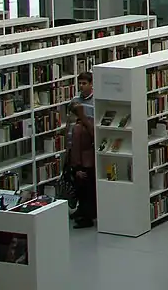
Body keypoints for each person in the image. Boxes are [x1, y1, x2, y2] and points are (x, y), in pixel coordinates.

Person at [67, 71, 97, 228]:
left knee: (87, 184)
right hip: (75, 150)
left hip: (87, 151)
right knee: (77, 183)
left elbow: (94, 132)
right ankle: (80, 209)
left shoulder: (95, 103)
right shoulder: (74, 101)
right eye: (79, 83)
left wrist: (82, 116)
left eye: (84, 83)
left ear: (92, 84)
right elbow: (69, 125)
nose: (81, 86)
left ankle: (88, 214)